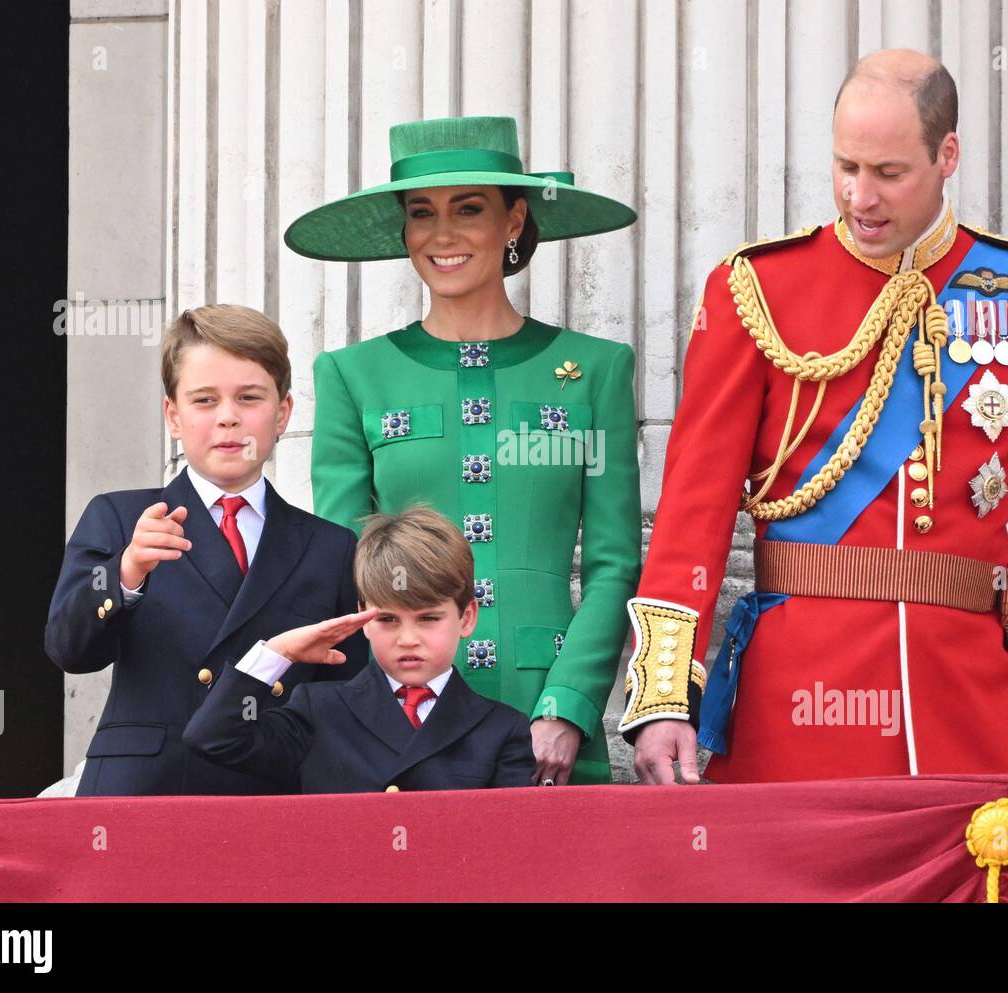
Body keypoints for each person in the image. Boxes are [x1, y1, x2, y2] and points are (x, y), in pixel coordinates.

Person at [622, 49, 1008, 784]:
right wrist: (663, 699)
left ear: (948, 156)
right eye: (846, 167)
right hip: (802, 700)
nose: (859, 196)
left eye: (888, 173)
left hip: (965, 703)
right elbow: (694, 511)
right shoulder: (755, 288)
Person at [287, 116, 641, 785]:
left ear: (514, 222)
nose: (442, 235)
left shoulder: (594, 369)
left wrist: (569, 702)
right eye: (423, 214)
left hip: (545, 707)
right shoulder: (351, 374)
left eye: (468, 210)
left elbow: (615, 561)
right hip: (407, 715)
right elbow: (343, 565)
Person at [44, 305, 369, 796]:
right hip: (145, 789)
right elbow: (69, 649)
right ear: (173, 415)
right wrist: (127, 572)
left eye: (249, 397)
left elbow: (348, 692)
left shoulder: (331, 545)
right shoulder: (119, 516)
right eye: (204, 400)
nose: (228, 418)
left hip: (272, 791)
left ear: (283, 413)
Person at [184, 507, 536, 792]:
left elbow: (508, 842)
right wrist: (279, 652)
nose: (408, 638)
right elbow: (214, 737)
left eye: (428, 618)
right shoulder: (319, 711)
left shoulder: (502, 729)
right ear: (362, 617)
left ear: (467, 617)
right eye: (387, 619)